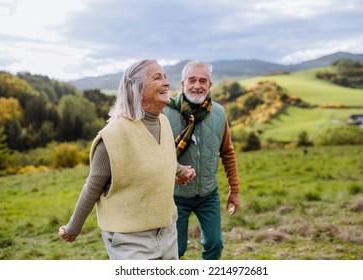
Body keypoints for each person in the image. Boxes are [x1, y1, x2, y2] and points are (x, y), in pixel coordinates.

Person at [59, 59, 195, 260]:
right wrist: (73, 228)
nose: (166, 82)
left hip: (167, 230)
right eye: (157, 77)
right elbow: (93, 186)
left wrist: (181, 171)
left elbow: (162, 155)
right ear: (137, 89)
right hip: (130, 240)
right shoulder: (112, 136)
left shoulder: (163, 122)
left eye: (165, 76)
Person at [163, 61, 240, 260]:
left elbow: (228, 152)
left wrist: (235, 189)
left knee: (214, 244)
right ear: (182, 83)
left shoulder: (219, 113)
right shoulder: (165, 113)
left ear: (210, 85)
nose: (197, 85)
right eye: (192, 80)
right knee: (175, 250)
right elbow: (155, 155)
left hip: (208, 195)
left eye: (203, 80)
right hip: (175, 196)